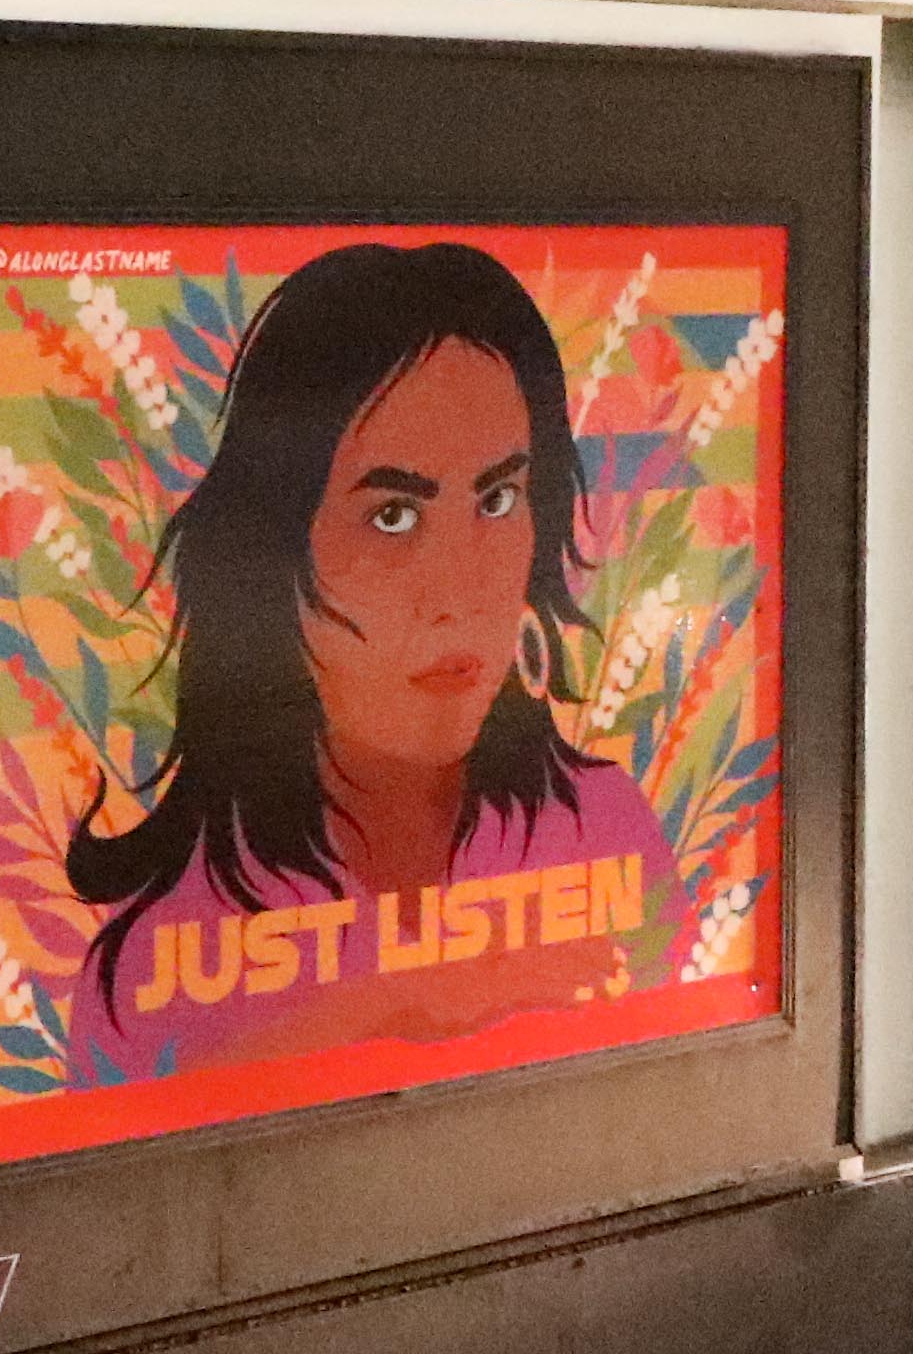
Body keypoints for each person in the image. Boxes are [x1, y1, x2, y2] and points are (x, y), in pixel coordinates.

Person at [60, 243, 665, 1079]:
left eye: (497, 500)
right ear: (272, 557)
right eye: (392, 517)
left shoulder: (607, 834)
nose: (457, 596)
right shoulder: (153, 962)